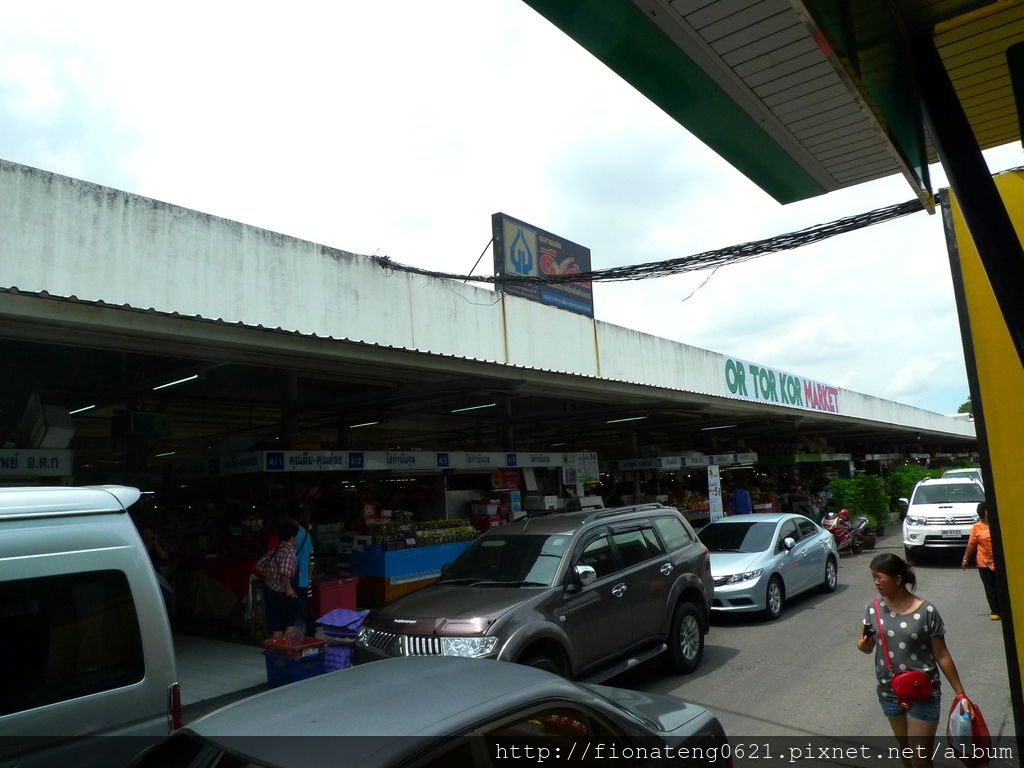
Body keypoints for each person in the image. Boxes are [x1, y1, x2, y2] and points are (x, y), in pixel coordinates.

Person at [856, 553, 970, 768]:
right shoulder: (872, 608)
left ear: (898, 579)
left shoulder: (926, 611)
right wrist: (864, 646)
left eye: (880, 577)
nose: (876, 583)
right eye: (873, 577)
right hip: (889, 692)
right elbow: (865, 644)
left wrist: (960, 693)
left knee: (920, 758)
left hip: (923, 692)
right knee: (907, 754)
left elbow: (942, 654)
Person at [257, 522, 301, 639]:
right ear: (291, 537)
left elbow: (260, 565)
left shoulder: (276, 550)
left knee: (277, 625)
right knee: (294, 619)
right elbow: (285, 571)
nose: (297, 538)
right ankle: (286, 649)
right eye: (296, 536)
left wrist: (271, 577)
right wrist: (289, 589)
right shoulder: (289, 551)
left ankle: (277, 651)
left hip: (271, 590)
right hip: (283, 592)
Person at [962, 501, 1000, 620]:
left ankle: (1005, 608)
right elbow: (972, 544)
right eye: (987, 510)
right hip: (984, 562)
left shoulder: (999, 524)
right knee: (990, 588)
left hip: (1000, 562)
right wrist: (965, 558)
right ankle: (995, 610)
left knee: (1001, 586)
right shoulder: (977, 527)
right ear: (982, 512)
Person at [288, 510, 315, 629]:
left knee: (293, 612)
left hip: (291, 579)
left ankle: (293, 637)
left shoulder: (288, 533)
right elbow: (311, 559)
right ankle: (308, 633)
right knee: (304, 609)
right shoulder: (306, 534)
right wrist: (309, 577)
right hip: (304, 578)